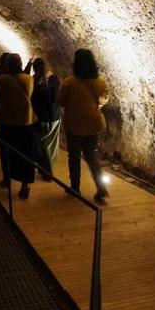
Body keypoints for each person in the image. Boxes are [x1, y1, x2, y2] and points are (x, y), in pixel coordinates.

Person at [58, 49, 110, 203]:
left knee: (74, 157)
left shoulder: (70, 82)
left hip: (74, 126)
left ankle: (75, 187)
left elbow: (61, 101)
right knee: (91, 156)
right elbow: (104, 99)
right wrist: (92, 107)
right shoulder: (100, 81)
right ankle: (101, 187)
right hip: (93, 124)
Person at [0, 53, 37, 199]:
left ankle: (7, 178)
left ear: (7, 64)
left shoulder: (2, 79)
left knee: (6, 150)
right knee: (25, 152)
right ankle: (25, 184)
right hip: (25, 120)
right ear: (20, 64)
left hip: (6, 119)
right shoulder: (29, 79)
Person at [30, 57, 61, 180]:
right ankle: (47, 168)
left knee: (39, 145)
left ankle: (47, 171)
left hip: (40, 117)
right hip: (54, 116)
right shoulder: (55, 79)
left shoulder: (33, 81)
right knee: (50, 145)